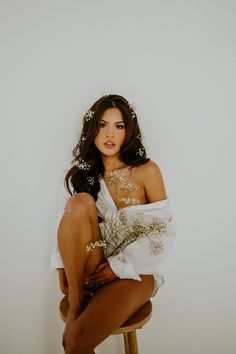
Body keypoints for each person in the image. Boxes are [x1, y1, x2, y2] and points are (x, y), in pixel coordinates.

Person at [51, 94, 177, 354]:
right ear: (92, 129)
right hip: (90, 268)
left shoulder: (147, 172)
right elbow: (66, 228)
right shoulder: (80, 176)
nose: (110, 134)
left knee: (75, 341)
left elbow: (162, 231)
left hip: (134, 272)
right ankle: (77, 303)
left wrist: (117, 267)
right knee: (78, 203)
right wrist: (64, 275)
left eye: (118, 126)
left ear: (128, 131)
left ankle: (79, 320)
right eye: (102, 125)